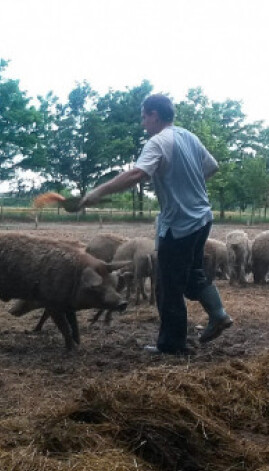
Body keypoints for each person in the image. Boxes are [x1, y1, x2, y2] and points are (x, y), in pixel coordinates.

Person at [78, 93, 233, 355]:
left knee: (168, 285)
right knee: (193, 272)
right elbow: (212, 166)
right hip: (202, 219)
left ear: (154, 115)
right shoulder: (188, 136)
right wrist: (186, 182)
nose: (142, 123)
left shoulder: (158, 142)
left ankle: (172, 345)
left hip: (180, 225)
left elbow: (137, 174)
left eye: (143, 117)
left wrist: (98, 193)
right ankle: (218, 314)